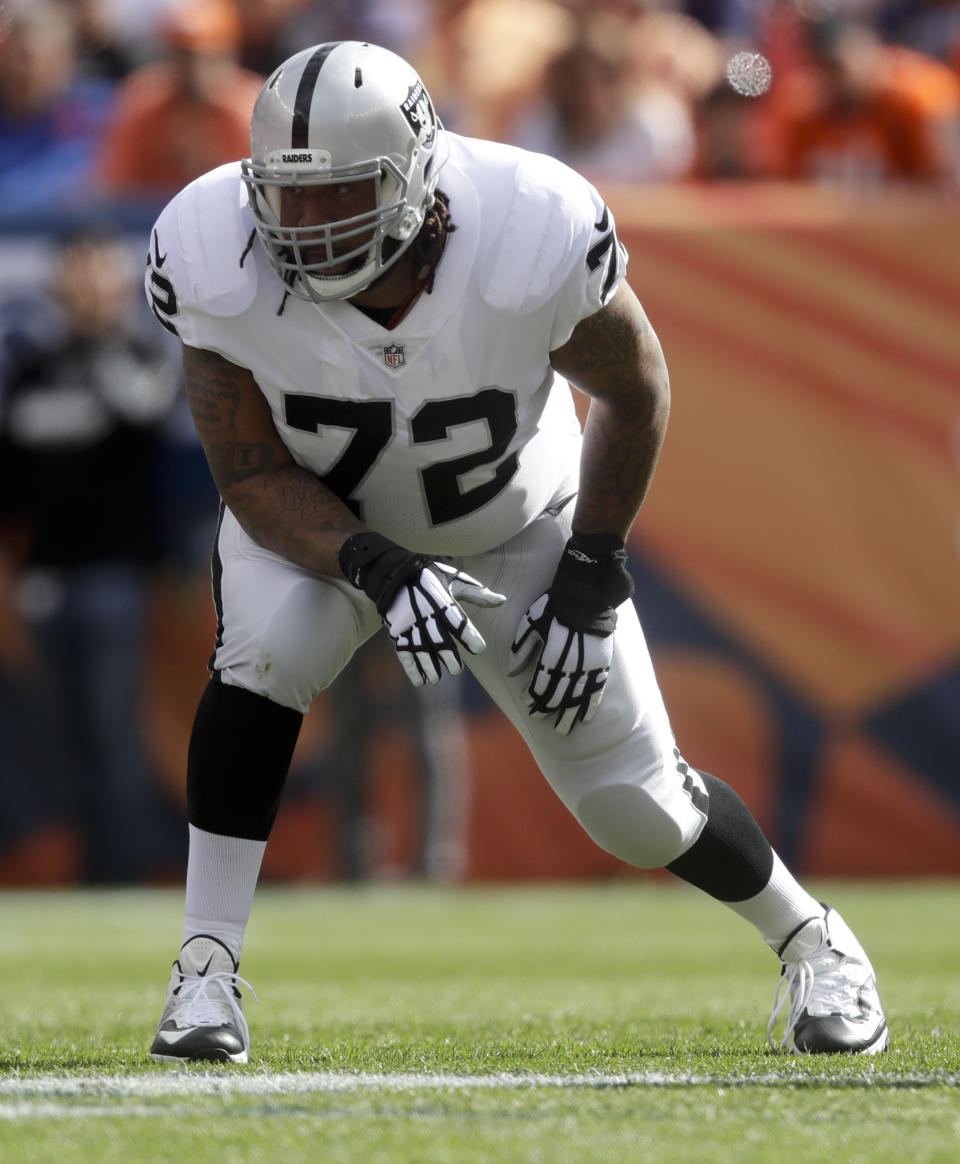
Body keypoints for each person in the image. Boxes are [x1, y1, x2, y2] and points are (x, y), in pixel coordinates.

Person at [144, 41, 888, 1064]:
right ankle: (203, 972)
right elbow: (251, 475)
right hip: (321, 534)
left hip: (513, 528)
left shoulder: (527, 224)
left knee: (638, 809)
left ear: (415, 177)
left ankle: (817, 941)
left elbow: (636, 387)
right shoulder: (208, 244)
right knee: (269, 647)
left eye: (342, 195)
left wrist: (590, 573)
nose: (304, 228)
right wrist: (371, 562)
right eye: (286, 197)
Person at [0, 227, 179, 881]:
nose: (86, 286)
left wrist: (104, 340)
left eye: (98, 273)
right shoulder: (32, 368)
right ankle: (84, 873)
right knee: (60, 739)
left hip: (115, 577)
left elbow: (146, 417)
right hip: (45, 579)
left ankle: (121, 872)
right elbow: (14, 482)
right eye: (76, 273)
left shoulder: (135, 356)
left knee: (112, 731)